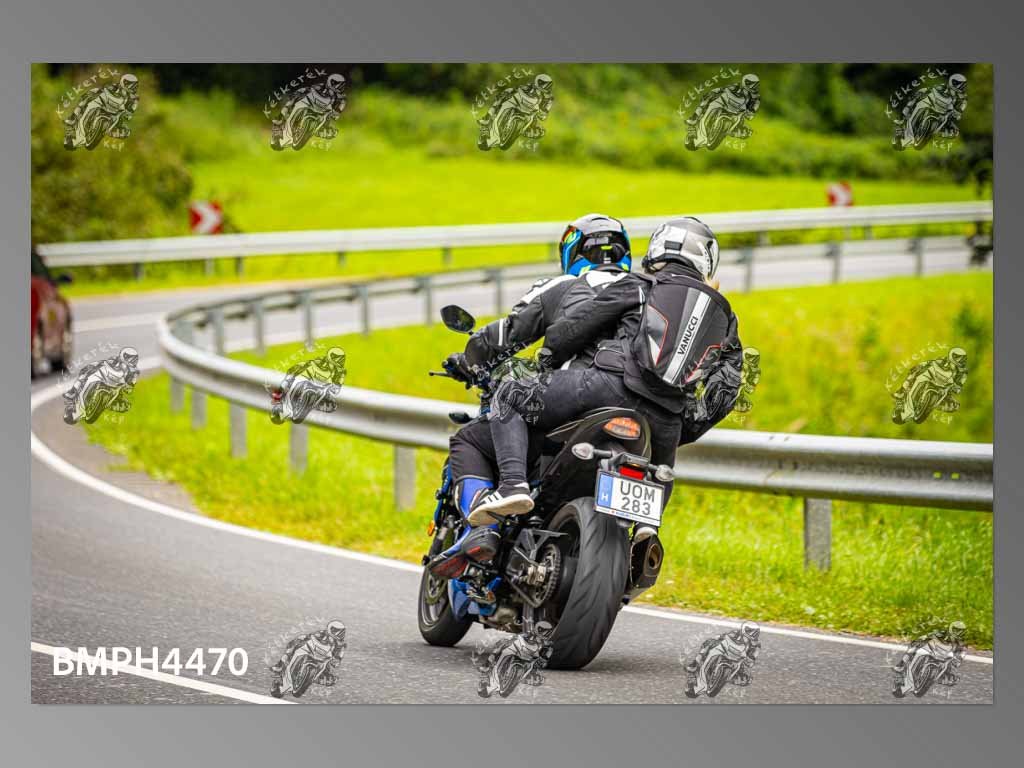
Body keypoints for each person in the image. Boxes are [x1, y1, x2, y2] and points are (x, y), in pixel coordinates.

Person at [471, 217, 743, 526]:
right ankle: (645, 532)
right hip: (667, 421)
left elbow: (576, 328)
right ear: (708, 261)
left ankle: (512, 486)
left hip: (608, 387)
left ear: (657, 248)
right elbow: (728, 388)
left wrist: (549, 359)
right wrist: (685, 427)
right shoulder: (726, 317)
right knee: (659, 477)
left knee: (510, 394)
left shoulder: (641, 285)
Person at [430, 214, 633, 573]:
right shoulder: (646, 291)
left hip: (571, 400)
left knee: (469, 440)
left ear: (573, 251)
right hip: (634, 407)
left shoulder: (564, 285)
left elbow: (506, 334)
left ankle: (488, 525)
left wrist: (469, 359)